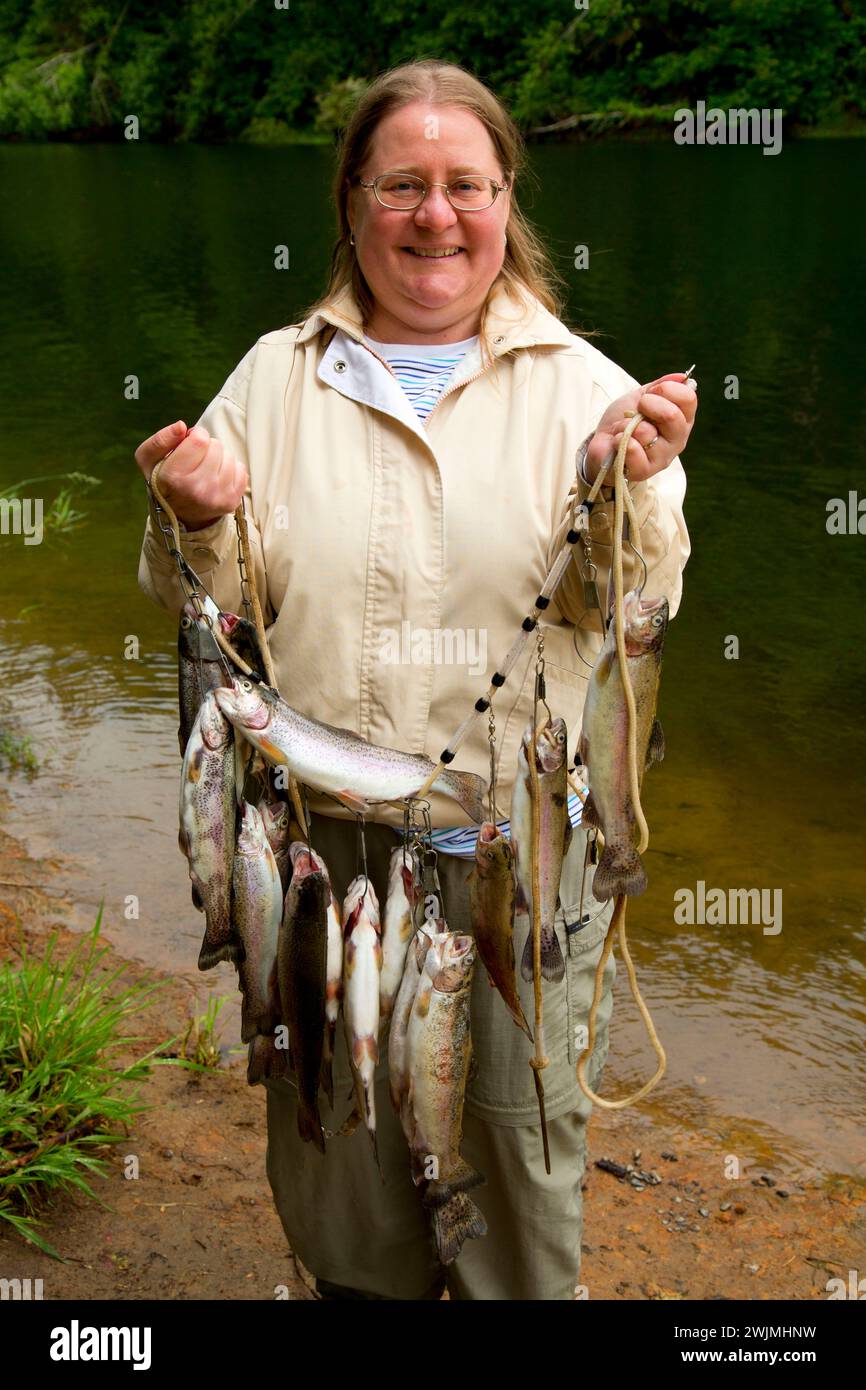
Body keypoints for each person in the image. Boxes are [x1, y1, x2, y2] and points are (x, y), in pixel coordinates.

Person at [136, 59, 695, 1301]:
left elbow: (635, 617)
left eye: (464, 185)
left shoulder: (588, 392)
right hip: (313, 853)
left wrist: (630, 486)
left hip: (512, 856)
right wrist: (190, 518)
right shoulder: (271, 378)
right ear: (351, 204)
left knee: (514, 1162)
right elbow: (205, 615)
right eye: (402, 184)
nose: (434, 216)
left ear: (506, 202)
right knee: (337, 1144)